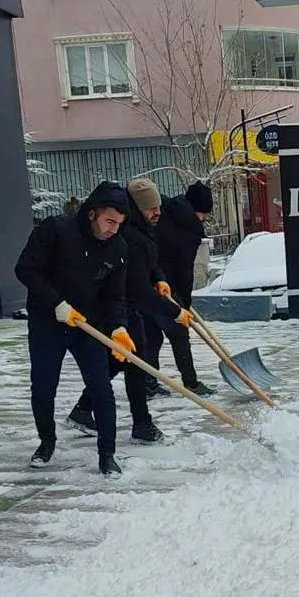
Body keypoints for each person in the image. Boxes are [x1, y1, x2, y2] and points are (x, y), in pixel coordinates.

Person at [15, 181, 131, 477]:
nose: (113, 229)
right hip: (47, 322)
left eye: (119, 224)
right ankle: (46, 442)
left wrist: (119, 327)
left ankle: (107, 455)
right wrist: (56, 303)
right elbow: (26, 269)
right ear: (92, 214)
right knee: (43, 387)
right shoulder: (56, 230)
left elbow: (115, 296)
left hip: (87, 325)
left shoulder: (117, 248)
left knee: (101, 388)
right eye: (109, 221)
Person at [70, 179, 193, 445]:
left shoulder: (143, 229)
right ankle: (141, 424)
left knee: (121, 361)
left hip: (127, 305)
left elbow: (151, 262)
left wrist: (159, 278)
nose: (157, 212)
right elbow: (137, 288)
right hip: (115, 306)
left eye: (158, 206)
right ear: (137, 208)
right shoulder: (126, 236)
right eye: (151, 208)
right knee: (135, 361)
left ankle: (84, 409)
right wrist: (174, 312)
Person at [144, 180, 215, 398]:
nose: (206, 218)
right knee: (179, 333)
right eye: (205, 214)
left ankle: (147, 382)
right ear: (198, 210)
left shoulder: (165, 211)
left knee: (151, 335)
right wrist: (184, 301)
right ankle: (191, 383)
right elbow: (184, 269)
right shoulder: (189, 229)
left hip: (146, 280)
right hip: (167, 285)